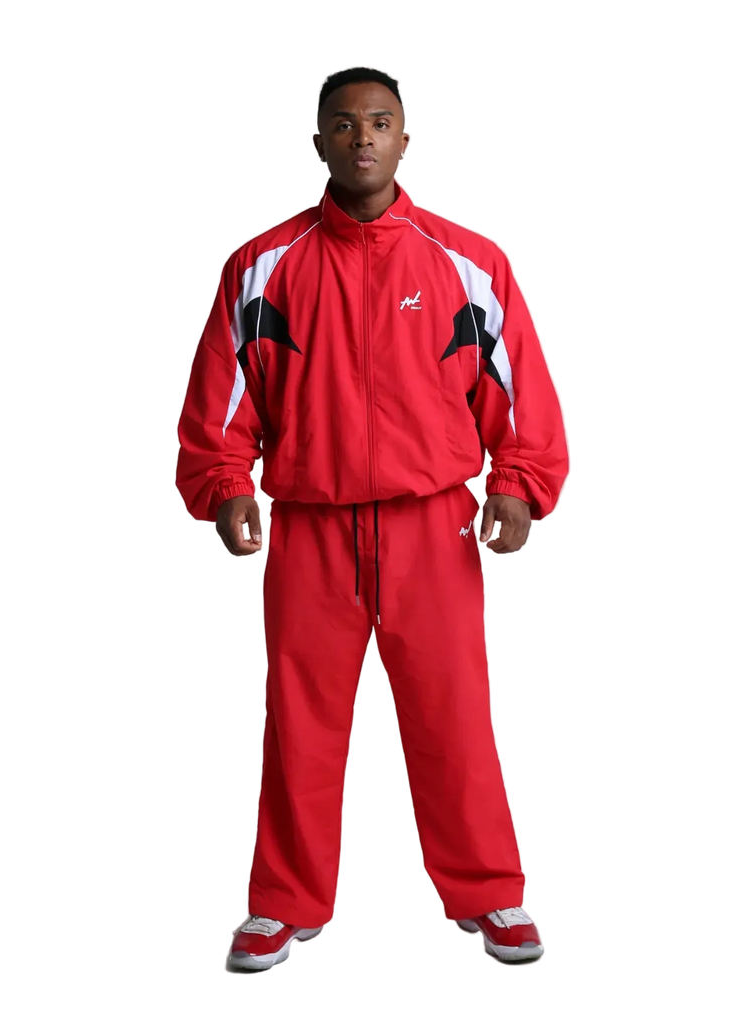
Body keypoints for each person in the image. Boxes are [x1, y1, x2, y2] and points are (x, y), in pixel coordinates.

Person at [173, 65, 572, 974]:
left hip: (437, 527)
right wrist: (226, 488)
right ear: (318, 141)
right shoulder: (259, 262)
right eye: (345, 124)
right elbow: (218, 400)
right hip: (307, 530)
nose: (363, 138)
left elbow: (522, 392)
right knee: (299, 721)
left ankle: (490, 893)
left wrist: (517, 486)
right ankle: (282, 905)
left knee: (455, 715)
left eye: (381, 122)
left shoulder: (472, 258)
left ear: (407, 140)